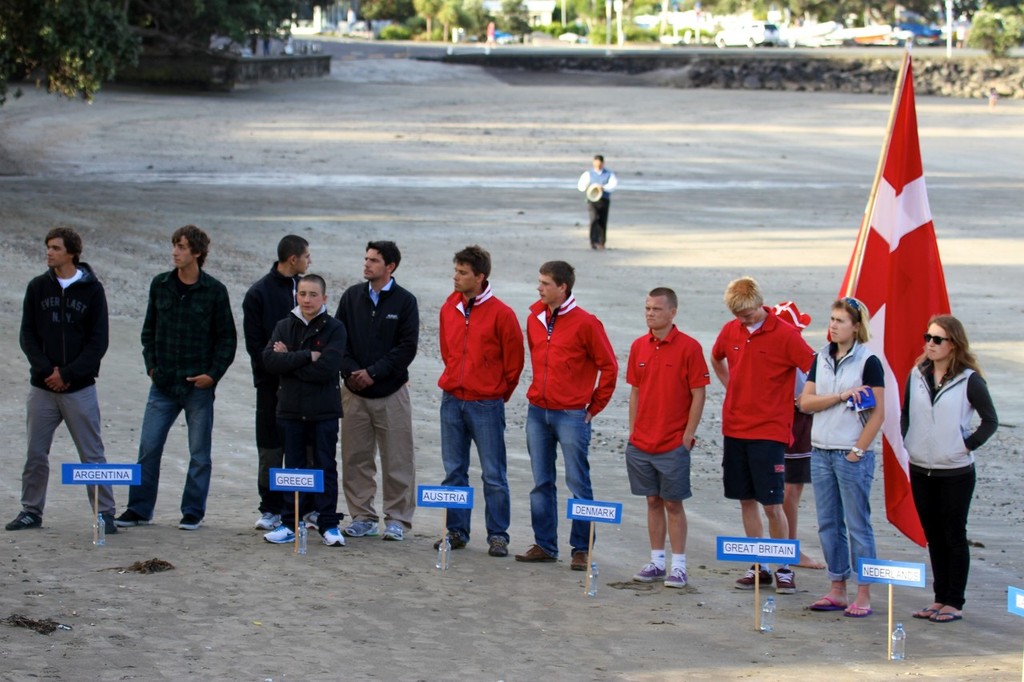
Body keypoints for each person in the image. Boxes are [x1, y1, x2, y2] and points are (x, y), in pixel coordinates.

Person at [115, 225, 237, 530]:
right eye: (174, 246)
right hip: (163, 384)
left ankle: (193, 511)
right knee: (148, 447)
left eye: (181, 247)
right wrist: (152, 367)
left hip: (198, 385)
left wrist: (212, 375)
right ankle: (139, 509)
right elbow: (148, 330)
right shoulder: (160, 285)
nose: (175, 252)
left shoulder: (214, 291)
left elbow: (227, 339)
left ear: (197, 252)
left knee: (199, 453)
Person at [7, 227, 116, 534]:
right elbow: (27, 335)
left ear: (72, 253)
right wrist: (47, 372)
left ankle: (105, 513)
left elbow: (99, 341)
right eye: (48, 247)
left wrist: (68, 374)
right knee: (35, 452)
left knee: (92, 454)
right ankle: (31, 510)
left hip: (79, 388)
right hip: (42, 388)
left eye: (55, 248)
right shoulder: (38, 287)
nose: (49, 253)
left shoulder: (93, 290)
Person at [710, 276, 814, 594]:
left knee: (772, 503)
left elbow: (814, 366)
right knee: (746, 499)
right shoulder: (731, 330)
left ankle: (783, 566)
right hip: (735, 427)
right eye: (737, 315)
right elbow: (716, 356)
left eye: (748, 314)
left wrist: (803, 400)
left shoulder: (784, 334)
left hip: (770, 430)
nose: (743, 320)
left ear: (760, 304)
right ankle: (759, 564)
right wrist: (732, 388)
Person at [515, 260, 617, 570]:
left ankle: (581, 550)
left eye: (545, 283)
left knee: (578, 484)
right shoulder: (534, 318)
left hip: (572, 414)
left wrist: (593, 408)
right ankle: (545, 544)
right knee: (541, 482)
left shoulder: (587, 323)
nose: (539, 288)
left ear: (563, 287)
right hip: (538, 412)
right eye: (539, 282)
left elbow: (609, 366)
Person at [903, 315, 998, 624]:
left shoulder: (970, 379)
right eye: (927, 337)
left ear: (953, 344)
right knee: (933, 535)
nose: (930, 343)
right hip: (921, 468)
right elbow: (906, 413)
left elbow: (990, 420)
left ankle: (954, 601)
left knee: (953, 536)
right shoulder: (916, 374)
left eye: (937, 339)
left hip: (955, 471)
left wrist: (965, 445)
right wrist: (910, 441)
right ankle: (939, 598)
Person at [797, 297, 885, 618]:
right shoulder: (820, 358)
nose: (833, 326)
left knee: (858, 524)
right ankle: (837, 587)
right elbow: (805, 403)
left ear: (856, 326)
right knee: (829, 524)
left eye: (840, 321)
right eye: (832, 319)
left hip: (851, 454)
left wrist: (857, 450)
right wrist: (837, 396)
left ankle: (863, 592)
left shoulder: (868, 361)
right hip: (820, 450)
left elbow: (878, 414)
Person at [436, 245, 524, 557]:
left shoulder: (503, 314)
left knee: (494, 474)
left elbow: (514, 365)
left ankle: (498, 536)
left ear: (480, 277)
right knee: (454, 471)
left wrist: (495, 393)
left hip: (486, 404)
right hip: (452, 400)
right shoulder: (449, 308)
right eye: (455, 271)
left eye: (463, 273)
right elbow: (447, 351)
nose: (456, 277)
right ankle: (456, 531)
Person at [335, 241, 419, 541]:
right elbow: (338, 339)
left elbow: (407, 348)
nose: (367, 264)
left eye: (374, 260)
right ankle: (362, 516)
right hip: (353, 394)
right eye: (366, 258)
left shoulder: (405, 301)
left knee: (398, 459)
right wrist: (351, 372)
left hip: (391, 393)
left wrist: (373, 373)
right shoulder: (351, 297)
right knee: (355, 458)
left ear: (390, 266)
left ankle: (397, 520)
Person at [627, 288, 708, 588]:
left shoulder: (690, 347)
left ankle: (680, 565)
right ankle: (657, 561)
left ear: (673, 312)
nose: (650, 314)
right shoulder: (638, 346)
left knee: (673, 503)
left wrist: (688, 435)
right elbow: (635, 390)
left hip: (673, 441)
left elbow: (698, 393)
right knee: (651, 500)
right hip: (641, 441)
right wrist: (633, 431)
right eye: (647, 308)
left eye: (657, 309)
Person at [261, 275, 347, 548]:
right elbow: (270, 362)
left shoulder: (335, 328)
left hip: (324, 411)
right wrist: (305, 355)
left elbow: (328, 368)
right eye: (302, 294)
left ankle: (329, 524)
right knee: (292, 468)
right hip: (289, 410)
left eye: (313, 294)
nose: (307, 299)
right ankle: (289, 523)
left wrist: (290, 358)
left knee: (325, 466)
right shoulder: (283, 326)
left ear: (324, 298)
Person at [242, 235, 311, 531]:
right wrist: (280, 363)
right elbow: (257, 346)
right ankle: (269, 507)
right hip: (270, 385)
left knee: (304, 446)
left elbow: (316, 338)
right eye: (307, 256)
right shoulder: (258, 293)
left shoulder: (307, 291)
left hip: (304, 386)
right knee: (270, 446)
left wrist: (297, 361)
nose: (310, 261)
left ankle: (303, 508)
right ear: (293, 259)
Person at [772, 301, 825, 570]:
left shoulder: (801, 355)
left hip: (796, 423)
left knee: (787, 490)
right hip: (790, 422)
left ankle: (786, 548)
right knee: (786, 491)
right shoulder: (794, 354)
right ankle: (787, 548)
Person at [576, 155, 618, 250]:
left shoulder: (609, 174)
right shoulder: (588, 174)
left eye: (599, 164)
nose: (597, 166)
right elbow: (581, 186)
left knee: (602, 221)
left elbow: (613, 185)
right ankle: (593, 241)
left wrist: (603, 187)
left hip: (604, 200)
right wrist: (588, 187)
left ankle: (602, 242)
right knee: (594, 219)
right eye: (596, 164)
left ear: (602, 163)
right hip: (592, 200)